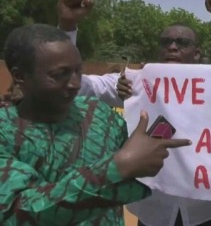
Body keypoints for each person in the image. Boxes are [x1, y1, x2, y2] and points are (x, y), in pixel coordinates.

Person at [0, 24, 191, 225]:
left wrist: (160, 96)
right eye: (59, 74)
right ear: (20, 76)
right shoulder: (6, 130)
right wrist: (115, 169)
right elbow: (17, 212)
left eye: (77, 71)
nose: (75, 83)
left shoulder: (98, 113)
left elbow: (147, 149)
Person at [118, 0, 211, 226]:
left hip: (200, 207)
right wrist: (68, 28)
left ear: (196, 53)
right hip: (153, 209)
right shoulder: (136, 83)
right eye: (166, 42)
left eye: (182, 43)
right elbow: (84, 84)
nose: (173, 46)